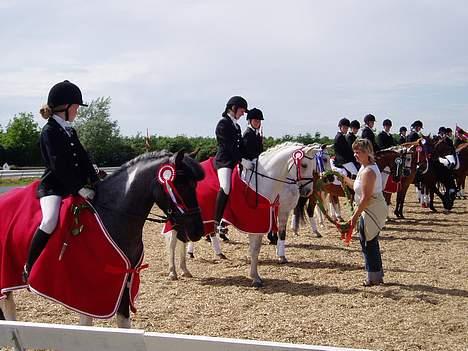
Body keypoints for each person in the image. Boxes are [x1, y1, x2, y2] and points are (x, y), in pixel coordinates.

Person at [23, 80, 99, 282]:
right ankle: (29, 265)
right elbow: (58, 166)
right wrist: (79, 188)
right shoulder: (49, 132)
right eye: (75, 107)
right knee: (49, 221)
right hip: (54, 187)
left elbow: (83, 158)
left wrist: (94, 178)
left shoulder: (69, 130)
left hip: (73, 186)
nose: (77, 111)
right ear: (64, 107)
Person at [341, 138, 387, 286]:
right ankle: (376, 274)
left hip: (372, 208)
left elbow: (366, 197)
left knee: (368, 242)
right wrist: (342, 178)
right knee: (369, 241)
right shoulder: (364, 168)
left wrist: (354, 217)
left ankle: (372, 277)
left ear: (367, 153)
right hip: (368, 207)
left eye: (358, 152)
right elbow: (356, 185)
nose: (355, 154)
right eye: (354, 151)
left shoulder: (368, 171)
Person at [212, 96, 248, 250]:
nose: (242, 114)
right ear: (233, 108)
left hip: (236, 161)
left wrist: (247, 159)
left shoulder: (237, 127)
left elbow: (239, 147)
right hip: (225, 161)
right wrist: (240, 159)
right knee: (226, 187)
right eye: (241, 110)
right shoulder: (223, 124)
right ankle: (216, 221)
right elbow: (227, 147)